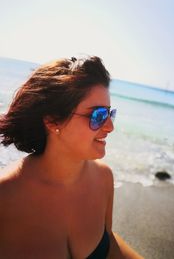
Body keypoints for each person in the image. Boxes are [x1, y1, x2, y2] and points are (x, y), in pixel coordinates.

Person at [0, 56, 144, 259]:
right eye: (98, 115)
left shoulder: (103, 178)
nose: (110, 127)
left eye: (110, 114)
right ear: (52, 120)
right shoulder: (5, 197)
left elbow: (109, 243)